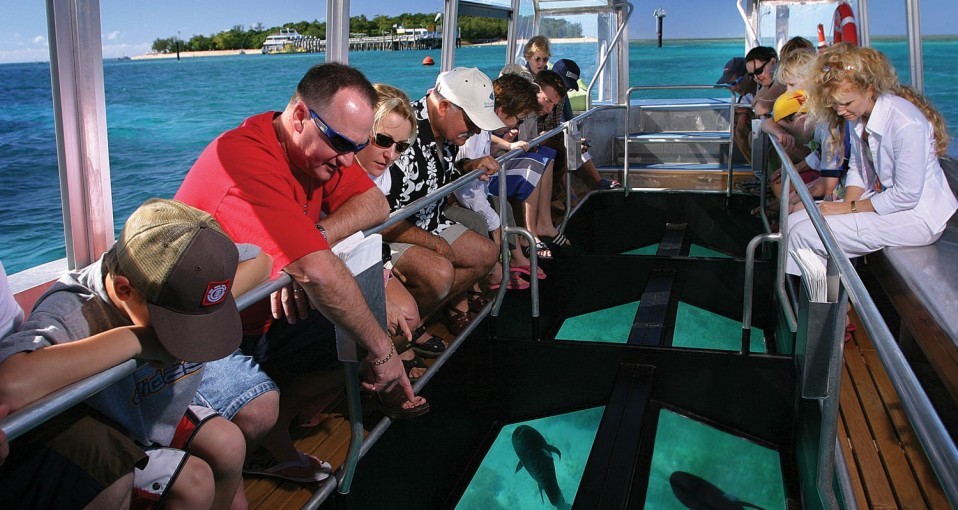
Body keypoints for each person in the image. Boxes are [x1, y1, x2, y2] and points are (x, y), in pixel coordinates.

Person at [176, 62, 427, 483]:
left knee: (369, 333)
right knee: (260, 406)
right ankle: (232, 464)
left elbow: (374, 205)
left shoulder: (316, 154)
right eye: (341, 144)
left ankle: (274, 438)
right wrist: (385, 356)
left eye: (359, 146)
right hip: (202, 333)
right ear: (298, 117)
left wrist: (310, 238)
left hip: (262, 320)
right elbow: (317, 272)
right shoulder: (243, 163)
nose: (350, 161)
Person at [0, 198, 269, 509]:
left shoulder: (192, 270)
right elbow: (9, 384)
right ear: (125, 290)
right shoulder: (74, 311)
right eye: (173, 320)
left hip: (150, 412)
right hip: (109, 425)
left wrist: (198, 311)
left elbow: (261, 261)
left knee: (230, 445)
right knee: (194, 485)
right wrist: (138, 340)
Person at [785, 43, 958, 275]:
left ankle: (826, 307)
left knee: (804, 234)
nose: (840, 111)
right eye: (835, 105)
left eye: (846, 104)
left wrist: (849, 208)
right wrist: (845, 207)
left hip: (917, 217)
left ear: (869, 90)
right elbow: (858, 167)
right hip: (887, 204)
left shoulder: (905, 123)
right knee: (796, 219)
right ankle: (822, 299)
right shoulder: (859, 117)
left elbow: (907, 195)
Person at [381, 67, 502, 335]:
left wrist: (469, 164)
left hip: (430, 222)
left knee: (487, 254)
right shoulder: (400, 132)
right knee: (439, 274)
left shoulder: (446, 133)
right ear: (445, 106)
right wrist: (434, 244)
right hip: (392, 235)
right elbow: (380, 218)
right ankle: (396, 334)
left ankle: (417, 318)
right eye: (471, 123)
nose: (476, 130)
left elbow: (437, 171)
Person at [348, 83, 445, 381]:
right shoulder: (342, 176)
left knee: (409, 315)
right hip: (342, 266)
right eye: (382, 140)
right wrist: (380, 297)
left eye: (400, 147)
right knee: (403, 316)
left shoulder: (383, 176)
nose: (391, 154)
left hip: (367, 257)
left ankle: (377, 368)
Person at [450, 71, 545, 289]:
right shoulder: (471, 134)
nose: (519, 126)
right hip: (455, 199)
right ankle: (488, 276)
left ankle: (515, 259)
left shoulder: (483, 128)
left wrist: (507, 145)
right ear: (501, 111)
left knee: (504, 208)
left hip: (470, 193)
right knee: (485, 220)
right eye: (518, 119)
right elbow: (467, 192)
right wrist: (494, 222)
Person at [717, 57, 758, 165]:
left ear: (749, 75)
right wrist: (741, 115)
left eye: (735, 82)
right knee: (738, 127)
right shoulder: (746, 96)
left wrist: (749, 114)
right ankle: (757, 170)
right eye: (729, 85)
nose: (733, 89)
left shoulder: (767, 91)